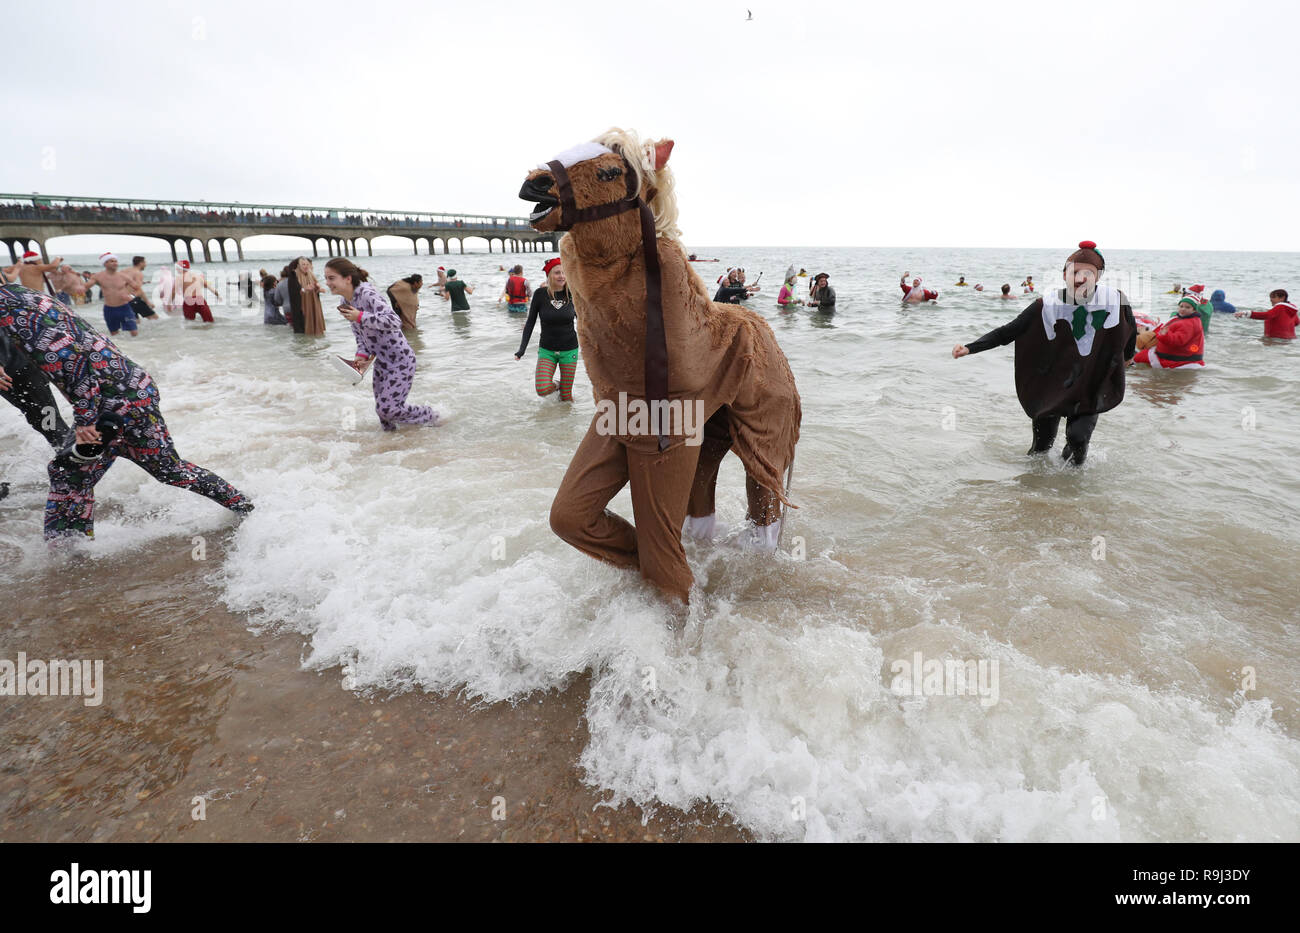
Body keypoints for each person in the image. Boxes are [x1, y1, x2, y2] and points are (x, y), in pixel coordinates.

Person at [0, 283, 253, 539]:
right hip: (131, 388)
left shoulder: (10, 308)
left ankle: (68, 557)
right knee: (168, 468)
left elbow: (72, 359)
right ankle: (247, 508)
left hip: (111, 398)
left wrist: (85, 420)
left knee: (68, 476)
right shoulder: (19, 295)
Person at [952, 241, 1136, 465]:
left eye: (1089, 273)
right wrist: (971, 347)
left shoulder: (1115, 301)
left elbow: (1129, 330)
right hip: (1053, 382)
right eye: (1075, 272)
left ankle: (1073, 492)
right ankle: (1032, 488)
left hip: (1090, 383)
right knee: (1040, 448)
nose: (1080, 278)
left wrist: (1127, 357)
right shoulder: (1047, 304)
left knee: (1077, 440)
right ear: (1064, 274)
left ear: (1098, 276)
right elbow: (1010, 331)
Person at [325, 258, 441, 431]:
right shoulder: (345, 304)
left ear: (347, 278)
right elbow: (360, 337)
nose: (327, 283)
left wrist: (360, 316)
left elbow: (394, 321)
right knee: (383, 414)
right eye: (326, 278)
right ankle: (392, 447)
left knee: (388, 409)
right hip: (381, 362)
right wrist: (360, 360)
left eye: (331, 278)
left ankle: (432, 416)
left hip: (401, 360)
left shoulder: (366, 293)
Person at [515, 257, 579, 401]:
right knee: (542, 389)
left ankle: (566, 422)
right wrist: (522, 349)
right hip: (547, 350)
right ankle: (558, 384)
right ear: (549, 275)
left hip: (569, 350)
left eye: (564, 272)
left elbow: (583, 321)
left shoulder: (573, 294)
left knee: (566, 397)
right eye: (557, 273)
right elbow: (530, 322)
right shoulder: (540, 294)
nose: (562, 276)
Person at [0, 324, 69, 448]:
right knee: (36, 421)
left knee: (51, 421)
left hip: (23, 366)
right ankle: (64, 457)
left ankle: (78, 460)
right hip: (5, 378)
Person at [1133, 294, 1205, 368]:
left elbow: (1179, 340)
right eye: (1181, 306)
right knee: (1141, 355)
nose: (1183, 309)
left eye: (1187, 307)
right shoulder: (1183, 318)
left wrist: (1165, 335)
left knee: (1138, 358)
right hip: (1175, 354)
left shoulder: (1188, 323)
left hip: (1173, 358)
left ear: (1194, 310)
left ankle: (1133, 370)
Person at [83, 252, 145, 337]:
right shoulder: (98, 276)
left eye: (116, 261)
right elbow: (85, 287)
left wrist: (131, 296)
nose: (115, 263)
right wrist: (80, 289)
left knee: (134, 332)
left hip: (125, 308)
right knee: (114, 334)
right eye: (112, 261)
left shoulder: (123, 276)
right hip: (109, 310)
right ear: (105, 263)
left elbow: (138, 289)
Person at [176, 260, 219, 324]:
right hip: (200, 300)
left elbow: (174, 291)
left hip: (188, 301)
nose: (176, 269)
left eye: (177, 268)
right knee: (209, 322)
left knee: (189, 323)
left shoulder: (179, 278)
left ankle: (193, 334)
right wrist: (218, 295)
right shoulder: (198, 276)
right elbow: (210, 288)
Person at [294, 257, 326, 335]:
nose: (305, 266)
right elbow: (293, 292)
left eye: (307, 264)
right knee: (306, 321)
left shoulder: (311, 274)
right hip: (303, 302)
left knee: (316, 319)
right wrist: (305, 289)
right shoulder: (296, 275)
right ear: (299, 265)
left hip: (313, 300)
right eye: (303, 264)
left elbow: (316, 285)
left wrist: (318, 288)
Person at [123, 256, 158, 320]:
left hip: (123, 300)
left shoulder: (126, 271)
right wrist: (148, 302)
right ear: (140, 263)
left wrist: (142, 282)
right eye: (145, 262)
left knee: (135, 323)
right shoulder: (138, 273)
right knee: (155, 318)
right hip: (133, 299)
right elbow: (138, 289)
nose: (146, 264)